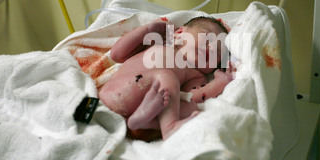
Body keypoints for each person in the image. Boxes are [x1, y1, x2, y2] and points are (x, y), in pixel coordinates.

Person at [98, 16, 235, 141]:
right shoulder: (158, 44)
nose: (211, 47)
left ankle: (145, 122)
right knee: (166, 76)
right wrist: (145, 31)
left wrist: (220, 83)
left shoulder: (196, 76)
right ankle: (170, 127)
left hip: (137, 122)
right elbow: (117, 54)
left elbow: (191, 96)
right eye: (208, 38)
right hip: (116, 95)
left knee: (190, 107)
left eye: (217, 52)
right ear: (179, 33)